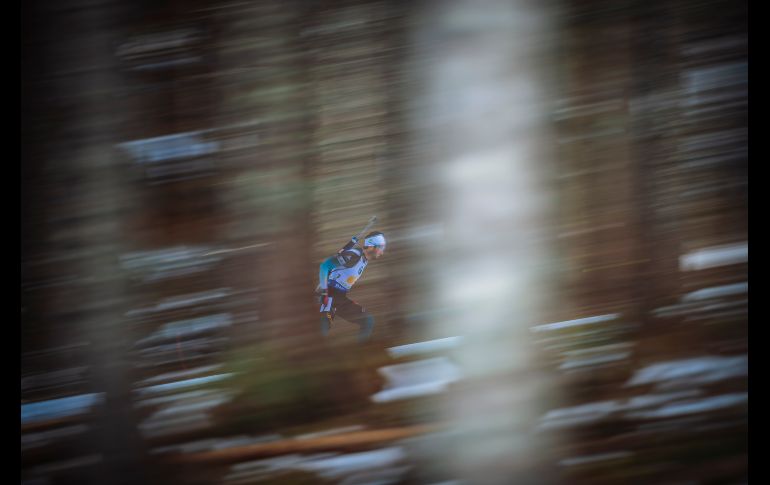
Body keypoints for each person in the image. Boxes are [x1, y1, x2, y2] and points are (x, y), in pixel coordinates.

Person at [317, 231, 386, 342]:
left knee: (367, 320)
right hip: (328, 294)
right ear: (372, 246)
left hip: (339, 297)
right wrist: (324, 292)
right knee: (322, 329)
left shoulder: (364, 259)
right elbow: (325, 266)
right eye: (381, 248)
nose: (382, 252)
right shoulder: (354, 255)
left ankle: (359, 355)